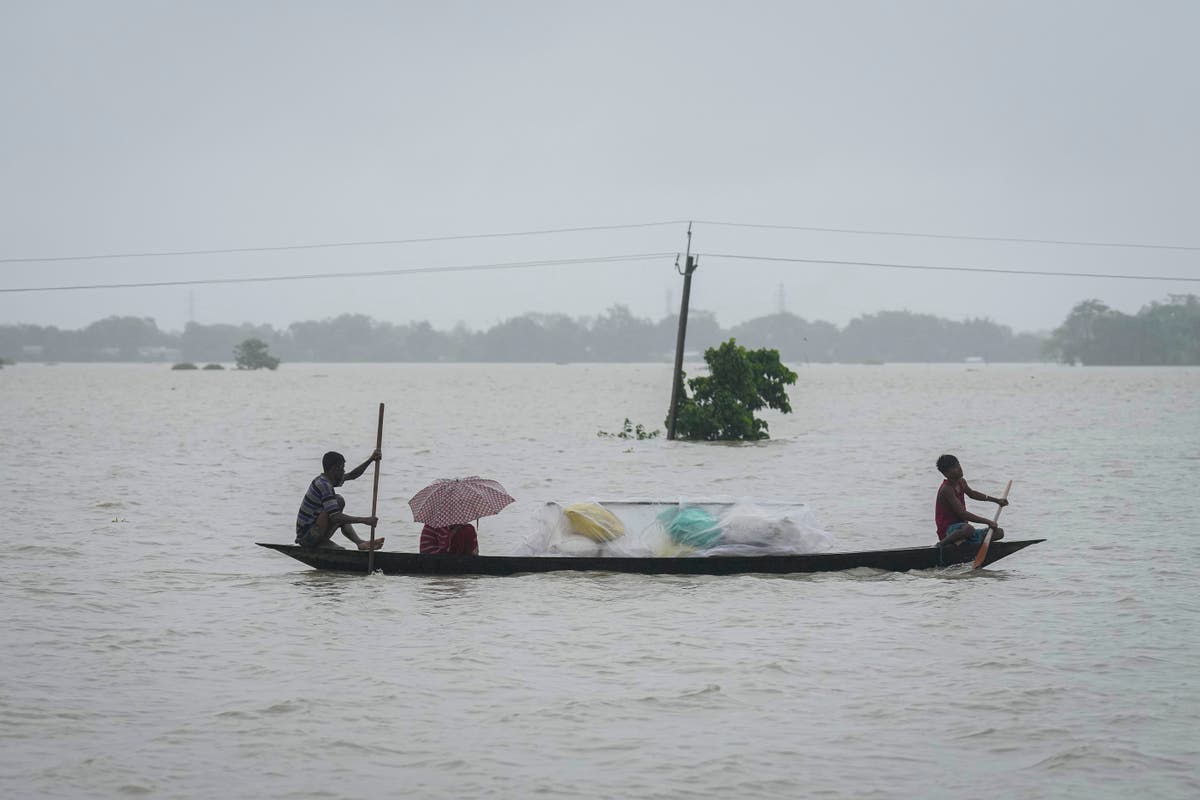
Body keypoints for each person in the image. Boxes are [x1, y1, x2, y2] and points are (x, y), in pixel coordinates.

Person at [296, 450, 384, 550]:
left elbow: (352, 475)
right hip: (307, 537)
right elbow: (335, 517)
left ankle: (359, 543)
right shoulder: (323, 484)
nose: (344, 471)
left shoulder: (328, 480)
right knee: (338, 502)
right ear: (334, 469)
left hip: (315, 533)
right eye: (342, 468)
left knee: (337, 505)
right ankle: (319, 543)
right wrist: (364, 520)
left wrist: (371, 460)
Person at [934, 454, 1008, 548]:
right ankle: (942, 544)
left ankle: (967, 545)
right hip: (948, 530)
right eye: (955, 468)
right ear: (946, 474)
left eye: (958, 465)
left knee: (999, 532)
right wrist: (988, 522)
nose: (959, 468)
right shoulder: (946, 489)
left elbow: (973, 494)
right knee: (968, 529)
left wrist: (997, 500)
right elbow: (963, 514)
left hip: (962, 528)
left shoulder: (961, 482)